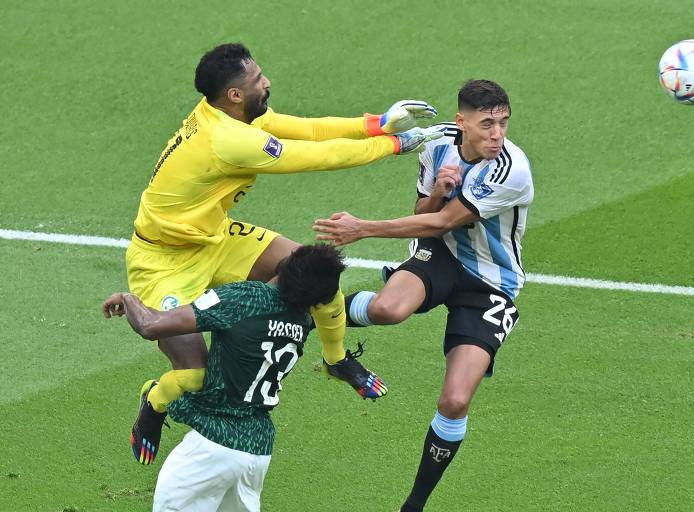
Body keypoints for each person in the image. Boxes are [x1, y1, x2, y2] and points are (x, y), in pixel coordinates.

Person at [126, 42, 443, 464]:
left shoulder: (232, 114)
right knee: (195, 376)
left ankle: (335, 359)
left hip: (215, 239)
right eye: (257, 80)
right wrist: (395, 145)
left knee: (317, 275)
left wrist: (379, 122)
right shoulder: (229, 139)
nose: (267, 82)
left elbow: (308, 129)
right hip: (162, 262)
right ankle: (154, 401)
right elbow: (319, 156)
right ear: (235, 94)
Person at [313, 79, 534, 512]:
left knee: (454, 400)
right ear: (461, 122)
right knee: (387, 309)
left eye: (504, 123)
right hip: (442, 257)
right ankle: (316, 314)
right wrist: (436, 191)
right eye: (487, 124)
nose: (497, 134)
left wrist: (363, 228)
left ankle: (413, 504)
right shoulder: (438, 147)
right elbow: (425, 214)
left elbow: (441, 222)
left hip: (491, 281)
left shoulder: (511, 169)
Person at [104, 244, 350, 511]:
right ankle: (155, 401)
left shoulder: (244, 298)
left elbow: (150, 326)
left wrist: (129, 299)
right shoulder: (301, 321)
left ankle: (155, 401)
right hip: (257, 452)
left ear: (286, 264)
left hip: (212, 448)